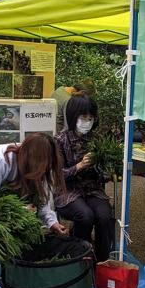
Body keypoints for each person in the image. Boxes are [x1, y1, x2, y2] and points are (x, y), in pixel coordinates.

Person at [0, 133, 68, 235]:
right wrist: (21, 210)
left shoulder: (40, 162)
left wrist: (52, 222)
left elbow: (41, 198)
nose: (44, 170)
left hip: (14, 209)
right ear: (32, 159)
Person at [54, 95, 114, 262]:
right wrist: (79, 166)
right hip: (68, 191)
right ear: (73, 117)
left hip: (93, 190)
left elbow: (104, 172)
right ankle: (80, 256)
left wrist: (107, 171)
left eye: (90, 118)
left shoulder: (98, 140)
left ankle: (102, 260)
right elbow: (57, 175)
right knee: (85, 216)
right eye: (83, 117)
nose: (87, 122)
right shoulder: (60, 140)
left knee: (104, 216)